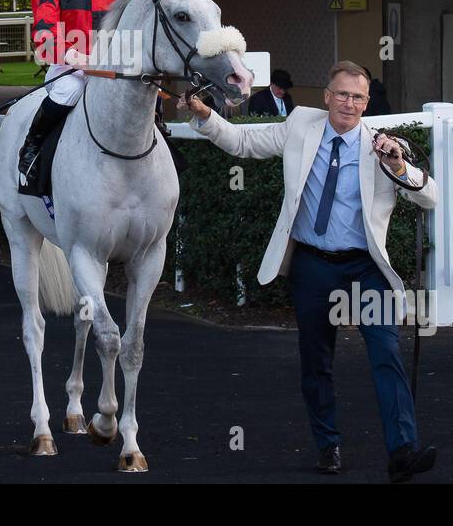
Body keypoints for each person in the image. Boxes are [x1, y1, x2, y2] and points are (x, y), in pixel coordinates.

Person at [187, 60, 439, 483]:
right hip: (313, 267)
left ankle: (402, 451)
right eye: (342, 94)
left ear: (366, 103)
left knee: (386, 356)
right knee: (316, 362)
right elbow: (244, 143)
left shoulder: (381, 145)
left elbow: (428, 197)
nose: (349, 103)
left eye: (358, 97)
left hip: (365, 269)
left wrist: (398, 167)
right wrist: (206, 117)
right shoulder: (301, 125)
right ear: (326, 96)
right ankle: (328, 446)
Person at [18, 0, 150, 183]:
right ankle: (32, 147)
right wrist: (73, 56)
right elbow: (43, 30)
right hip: (71, 67)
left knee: (147, 101)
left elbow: (143, 29)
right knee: (66, 93)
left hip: (118, 68)